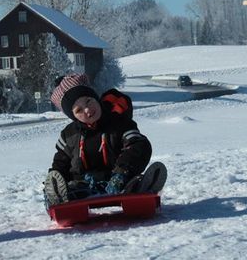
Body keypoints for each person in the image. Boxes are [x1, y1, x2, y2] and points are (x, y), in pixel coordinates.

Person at [44, 73, 166, 208]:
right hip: (83, 185)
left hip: (119, 180)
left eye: (89, 101)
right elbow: (61, 161)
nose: (87, 110)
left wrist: (122, 172)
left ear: (96, 98)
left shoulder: (119, 123)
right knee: (72, 189)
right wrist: (56, 178)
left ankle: (142, 190)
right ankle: (60, 199)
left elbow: (138, 145)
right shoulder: (69, 134)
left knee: (132, 181)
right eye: (79, 110)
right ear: (73, 116)